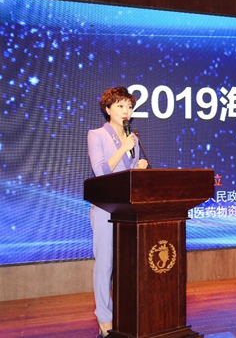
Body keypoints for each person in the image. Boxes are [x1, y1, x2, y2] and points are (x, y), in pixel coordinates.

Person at [87, 86, 149, 337]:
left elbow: (127, 177)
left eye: (129, 106)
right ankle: (104, 316)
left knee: (126, 262)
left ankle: (124, 311)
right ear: (108, 109)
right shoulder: (97, 135)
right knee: (105, 263)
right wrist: (124, 147)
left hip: (127, 209)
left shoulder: (131, 138)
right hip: (105, 208)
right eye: (120, 105)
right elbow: (101, 171)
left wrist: (139, 168)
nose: (126, 111)